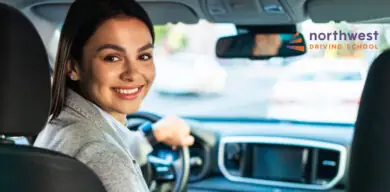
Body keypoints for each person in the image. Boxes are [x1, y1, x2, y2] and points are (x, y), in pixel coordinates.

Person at [33, 0, 194, 191]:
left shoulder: (59, 124)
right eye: (112, 58)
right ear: (73, 67)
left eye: (144, 56)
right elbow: (103, 155)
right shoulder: (102, 154)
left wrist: (153, 134)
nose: (133, 74)